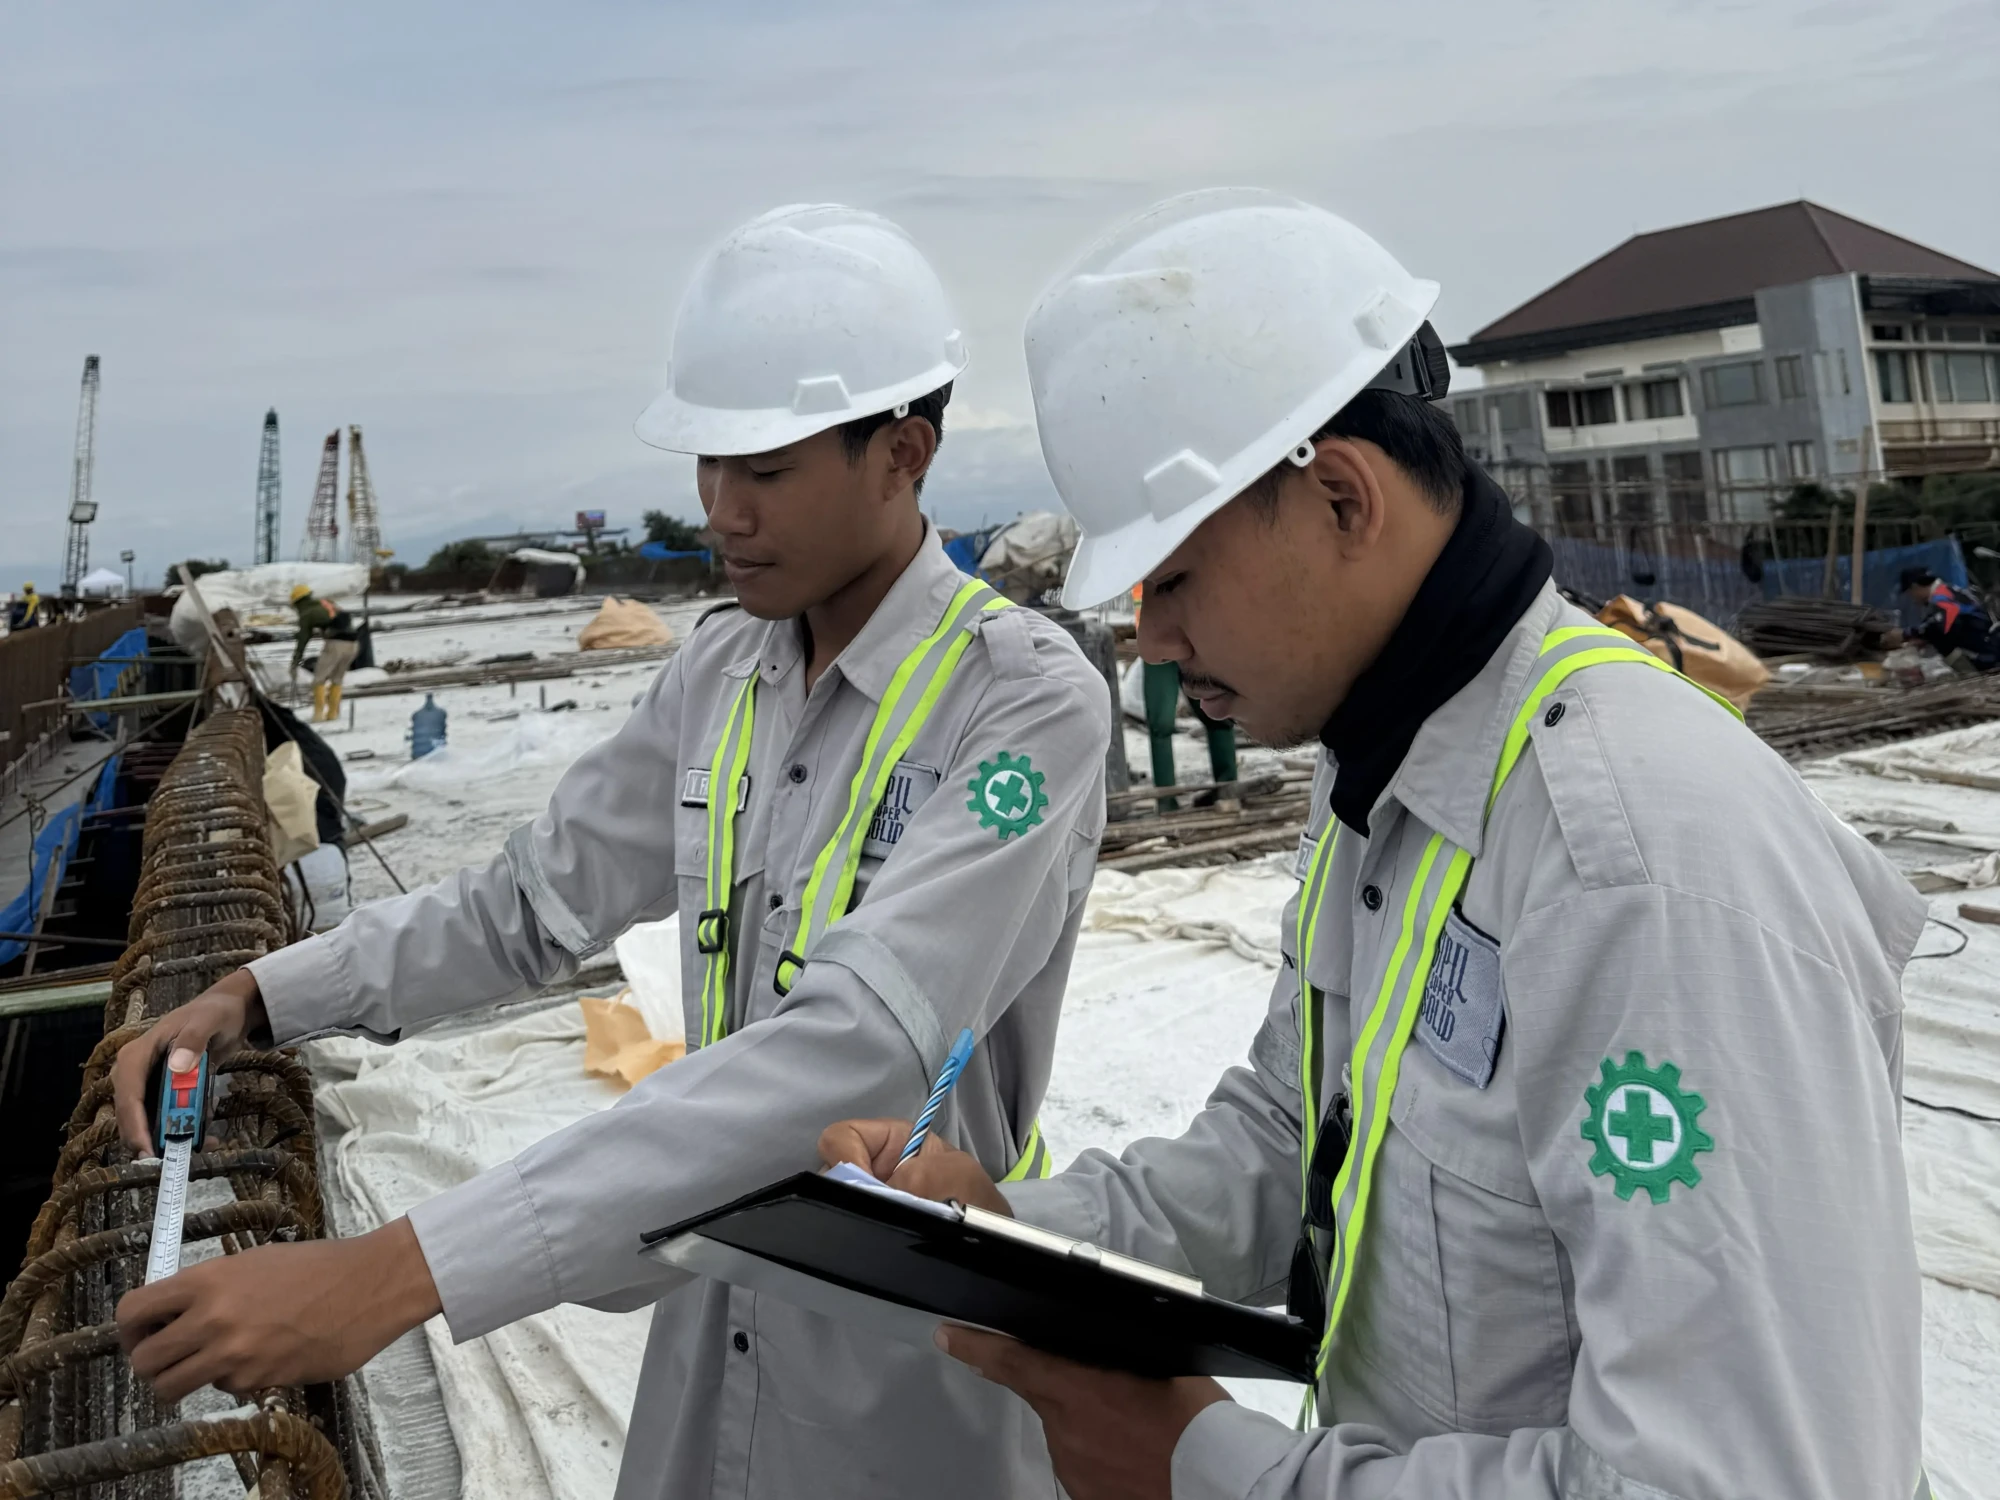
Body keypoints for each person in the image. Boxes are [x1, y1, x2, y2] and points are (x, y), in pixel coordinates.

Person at [823, 190, 1928, 1500]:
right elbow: (1295, 1139)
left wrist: (1203, 1466)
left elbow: (1747, 1480)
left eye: (1171, 580)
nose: (1156, 644)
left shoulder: (1637, 859)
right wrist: (1012, 1232)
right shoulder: (1393, 773)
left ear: (1344, 498)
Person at [111, 204, 1111, 1500]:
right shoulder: (724, 671)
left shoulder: (1022, 701)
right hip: (722, 1300)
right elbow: (533, 901)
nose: (721, 510)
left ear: (903, 455)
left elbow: (864, 1040)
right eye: (709, 463)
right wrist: (264, 994)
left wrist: (401, 1270)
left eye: (765, 469)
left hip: (906, 1361)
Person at [1900, 565, 1998, 670]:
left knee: (1940, 639)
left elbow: (1942, 624)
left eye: (1909, 593)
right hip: (1988, 644)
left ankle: (1970, 672)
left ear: (1915, 587)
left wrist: (1907, 633)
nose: (1912, 599)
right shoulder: (1946, 591)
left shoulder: (1941, 596)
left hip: (1988, 651)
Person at [288, 583, 363, 720]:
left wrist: (295, 661)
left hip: (335, 644)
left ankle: (318, 714)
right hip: (354, 644)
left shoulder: (307, 613)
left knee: (318, 680)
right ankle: (333, 714)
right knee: (337, 679)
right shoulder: (327, 603)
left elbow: (303, 639)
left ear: (298, 602)